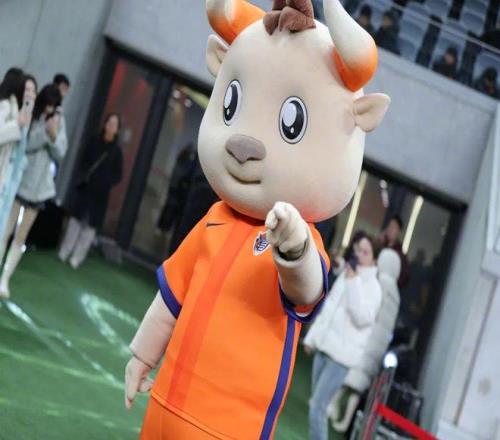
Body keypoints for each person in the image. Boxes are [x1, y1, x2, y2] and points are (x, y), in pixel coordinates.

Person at [304, 232, 383, 440]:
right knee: (316, 405)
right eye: (358, 250)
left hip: (342, 357)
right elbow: (328, 308)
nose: (360, 255)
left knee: (318, 406)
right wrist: (312, 338)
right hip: (324, 346)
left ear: (374, 258)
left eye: (365, 252)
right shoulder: (347, 273)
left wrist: (353, 282)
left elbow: (362, 318)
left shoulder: (374, 287)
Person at [0, 84, 66, 298]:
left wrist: (54, 135)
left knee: (21, 237)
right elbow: (26, 144)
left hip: (41, 190)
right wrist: (45, 132)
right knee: (6, 230)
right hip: (22, 182)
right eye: (48, 104)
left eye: (54, 105)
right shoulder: (34, 115)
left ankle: (5, 279)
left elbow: (61, 152)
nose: (50, 109)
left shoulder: (60, 120)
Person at [329, 247, 401, 433]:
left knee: (347, 377)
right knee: (357, 387)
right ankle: (346, 422)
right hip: (378, 347)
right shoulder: (396, 293)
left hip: (366, 339)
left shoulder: (379, 282)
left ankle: (332, 406)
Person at [58, 113, 123, 268]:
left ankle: (77, 258)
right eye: (109, 123)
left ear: (117, 129)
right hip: (86, 188)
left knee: (90, 227)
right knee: (75, 221)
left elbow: (118, 175)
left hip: (101, 194)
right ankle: (64, 251)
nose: (111, 126)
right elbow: (83, 160)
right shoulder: (93, 141)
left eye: (114, 125)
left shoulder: (117, 152)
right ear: (105, 124)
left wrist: (106, 181)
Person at [0, 73, 37, 248]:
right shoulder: (7, 106)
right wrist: (17, 125)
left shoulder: (23, 113)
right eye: (26, 89)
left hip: (9, 180)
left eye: (33, 91)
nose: (29, 94)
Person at [380, 214, 409, 288]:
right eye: (389, 226)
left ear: (398, 231)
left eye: (393, 227)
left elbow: (404, 278)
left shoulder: (400, 255)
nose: (390, 229)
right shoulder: (380, 246)